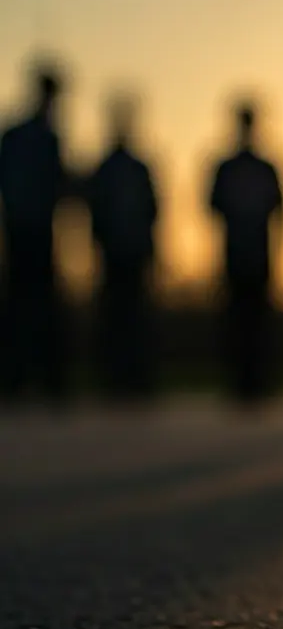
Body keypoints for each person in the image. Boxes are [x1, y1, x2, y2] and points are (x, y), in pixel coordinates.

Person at [0, 60, 71, 405]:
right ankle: (40, 380)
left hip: (26, 229)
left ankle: (25, 379)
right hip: (29, 231)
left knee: (24, 306)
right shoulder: (40, 138)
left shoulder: (18, 135)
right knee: (34, 307)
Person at [208, 100, 283, 405]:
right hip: (236, 254)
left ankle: (259, 381)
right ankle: (239, 382)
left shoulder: (264, 168)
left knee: (258, 322)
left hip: (258, 253)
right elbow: (212, 206)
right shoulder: (228, 168)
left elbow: (280, 208)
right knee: (237, 321)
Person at [88, 93, 159, 401]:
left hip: (134, 254)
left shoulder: (137, 168)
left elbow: (152, 210)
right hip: (113, 254)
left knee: (135, 320)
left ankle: (137, 379)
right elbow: (96, 210)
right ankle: (116, 379)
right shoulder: (106, 169)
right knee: (116, 319)